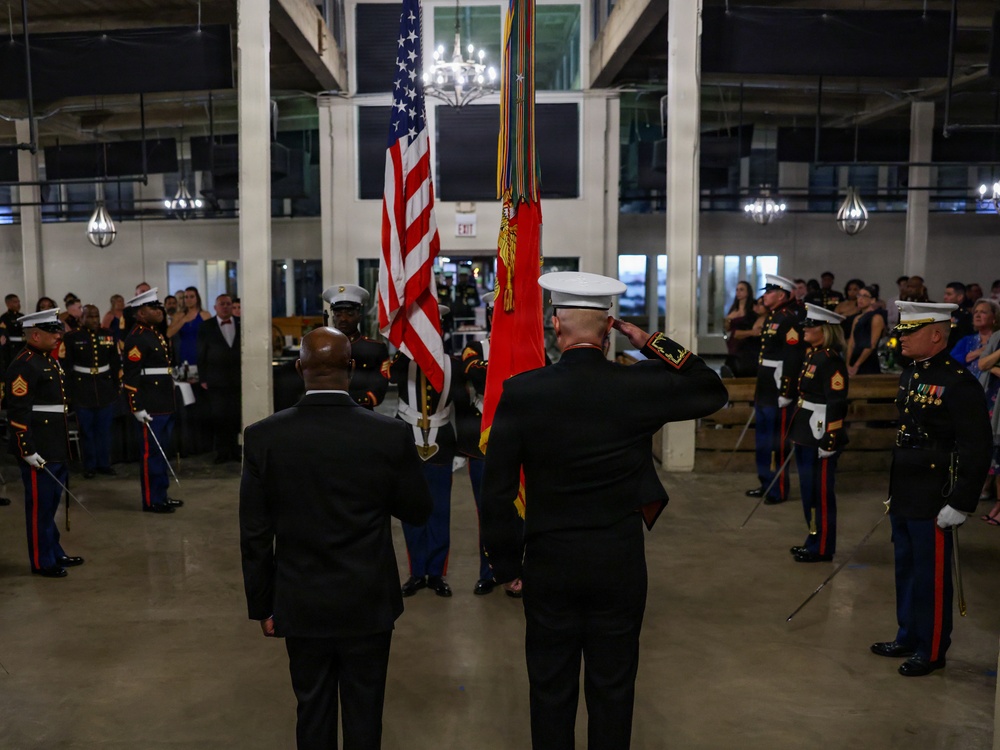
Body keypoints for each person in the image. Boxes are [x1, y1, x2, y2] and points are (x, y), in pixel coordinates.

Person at [481, 271, 727, 750]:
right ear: (609, 330)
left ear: (557, 327)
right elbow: (709, 387)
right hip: (618, 559)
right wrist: (650, 340)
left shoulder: (524, 392)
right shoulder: (636, 386)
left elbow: (497, 492)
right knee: (613, 687)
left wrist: (509, 566)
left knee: (550, 687)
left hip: (550, 559)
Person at [240, 327, 432, 750]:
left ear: (298, 369)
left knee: (312, 708)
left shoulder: (263, 436)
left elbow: (254, 533)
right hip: (367, 598)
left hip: (299, 598)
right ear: (350, 368)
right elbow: (418, 511)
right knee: (365, 711)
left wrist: (262, 605)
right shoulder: (387, 435)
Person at [870, 302, 992, 677]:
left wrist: (962, 501)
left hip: (936, 492)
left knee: (931, 574)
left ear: (937, 334)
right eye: (902, 331)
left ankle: (932, 646)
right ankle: (908, 633)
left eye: (910, 332)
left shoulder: (958, 382)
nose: (901, 338)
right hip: (907, 485)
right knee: (906, 567)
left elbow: (977, 447)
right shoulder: (911, 373)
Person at [389, 308, 465, 598]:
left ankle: (436, 573)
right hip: (407, 440)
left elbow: (463, 405)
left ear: (442, 331)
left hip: (442, 441)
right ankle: (416, 572)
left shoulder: (454, 365)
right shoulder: (402, 361)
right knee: (411, 510)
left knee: (439, 511)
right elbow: (386, 376)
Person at [4, 308, 85, 577]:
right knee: (40, 506)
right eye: (53, 331)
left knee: (50, 505)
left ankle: (54, 551)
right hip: (38, 446)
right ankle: (42, 561)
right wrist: (26, 449)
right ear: (35, 335)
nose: (58, 335)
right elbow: (18, 411)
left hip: (54, 443)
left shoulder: (48, 360)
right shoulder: (24, 363)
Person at [789, 304, 849, 563]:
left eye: (811, 326)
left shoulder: (830, 360)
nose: (805, 329)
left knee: (821, 494)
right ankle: (813, 538)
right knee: (809, 492)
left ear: (824, 331)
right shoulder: (815, 355)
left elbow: (836, 402)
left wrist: (830, 438)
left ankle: (823, 547)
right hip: (807, 431)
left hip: (821, 434)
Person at [122, 288, 182, 514]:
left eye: (159, 306)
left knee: (162, 453)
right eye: (153, 307)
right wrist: (136, 406)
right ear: (140, 313)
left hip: (163, 402)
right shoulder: (136, 337)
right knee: (151, 455)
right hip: (150, 405)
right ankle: (151, 500)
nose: (159, 310)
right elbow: (131, 376)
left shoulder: (154, 333)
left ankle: (162, 494)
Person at [747, 274, 806, 504]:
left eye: (769, 292)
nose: (764, 296)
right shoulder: (774, 317)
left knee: (777, 443)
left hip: (778, 390)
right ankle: (765, 482)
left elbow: (792, 358)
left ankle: (778, 489)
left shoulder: (788, 319)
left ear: (781, 295)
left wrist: (786, 391)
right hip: (765, 389)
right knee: (762, 441)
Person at [63, 304, 121, 478]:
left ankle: (104, 464)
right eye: (90, 317)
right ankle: (90, 466)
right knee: (87, 431)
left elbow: (115, 362)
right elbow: (67, 367)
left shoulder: (108, 335)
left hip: (104, 387)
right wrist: (69, 392)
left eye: (97, 316)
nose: (94, 320)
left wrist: (116, 384)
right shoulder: (72, 337)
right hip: (82, 388)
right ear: (81, 318)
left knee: (104, 430)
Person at [321, 284, 389, 410]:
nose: (343, 319)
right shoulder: (321, 348)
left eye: (350, 314)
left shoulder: (374, 349)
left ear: (359, 317)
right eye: (338, 314)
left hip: (362, 413)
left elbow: (377, 393)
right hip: (327, 414)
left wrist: (340, 399)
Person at [197, 293, 242, 463]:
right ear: (215, 307)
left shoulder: (240, 323)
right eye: (221, 304)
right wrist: (203, 378)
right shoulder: (206, 326)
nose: (225, 306)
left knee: (235, 416)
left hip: (237, 380)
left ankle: (235, 451)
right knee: (219, 416)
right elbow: (200, 354)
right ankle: (222, 452)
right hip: (216, 380)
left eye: (228, 304)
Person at [167, 286, 212, 374]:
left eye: (191, 297)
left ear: (197, 298)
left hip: (201, 355)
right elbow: (169, 334)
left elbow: (211, 337)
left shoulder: (205, 315)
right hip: (184, 354)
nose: (188, 300)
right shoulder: (179, 315)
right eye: (186, 297)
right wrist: (184, 320)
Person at [846, 284, 886, 376]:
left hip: (868, 360)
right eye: (859, 295)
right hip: (854, 357)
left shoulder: (876, 318)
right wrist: (848, 363)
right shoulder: (856, 318)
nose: (860, 299)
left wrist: (857, 365)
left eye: (865, 296)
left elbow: (872, 344)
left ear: (873, 300)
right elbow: (851, 343)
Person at [723, 280, 758, 377]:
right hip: (734, 343)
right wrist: (728, 319)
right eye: (737, 290)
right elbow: (727, 328)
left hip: (747, 344)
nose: (738, 292)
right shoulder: (733, 308)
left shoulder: (752, 308)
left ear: (748, 292)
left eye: (741, 290)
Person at [942, 281, 973, 349]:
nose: (945, 297)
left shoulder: (964, 315)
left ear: (960, 297)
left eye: (949, 294)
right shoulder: (943, 313)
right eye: (945, 294)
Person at [0, 292, 24, 378]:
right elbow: (3, 333)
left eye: (18, 302)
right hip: (11, 348)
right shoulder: (4, 318)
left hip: (23, 346)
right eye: (15, 302)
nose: (18, 304)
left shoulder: (22, 316)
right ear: (8, 304)